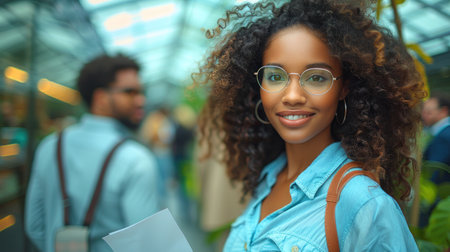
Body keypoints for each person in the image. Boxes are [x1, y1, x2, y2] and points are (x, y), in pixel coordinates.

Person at [194, 0, 426, 251]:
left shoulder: (364, 205)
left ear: (343, 87)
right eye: (275, 76)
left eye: (316, 77)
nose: (292, 96)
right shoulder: (268, 179)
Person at [25, 54, 160, 252]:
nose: (141, 100)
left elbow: (35, 226)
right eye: (130, 92)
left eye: (141, 92)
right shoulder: (136, 159)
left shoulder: (49, 146)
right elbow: (148, 246)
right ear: (101, 98)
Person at [422, 93, 450, 168]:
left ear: (443, 111)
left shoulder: (444, 137)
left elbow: (434, 170)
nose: (423, 116)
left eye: (428, 112)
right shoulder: (443, 132)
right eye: (423, 112)